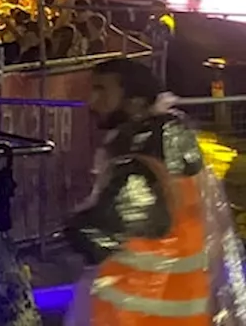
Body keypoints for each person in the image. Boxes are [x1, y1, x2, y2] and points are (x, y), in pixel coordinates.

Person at [64, 59, 228, 325]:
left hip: (138, 313)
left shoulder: (140, 159)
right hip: (181, 310)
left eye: (101, 90)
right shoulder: (174, 139)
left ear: (136, 101)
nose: (91, 102)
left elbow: (97, 236)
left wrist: (74, 222)